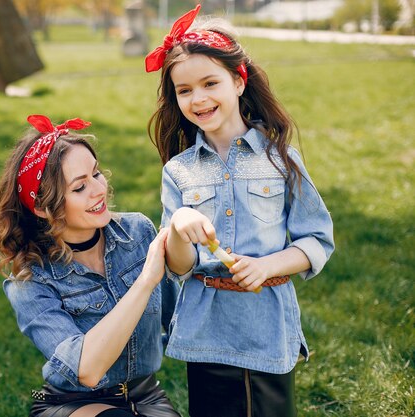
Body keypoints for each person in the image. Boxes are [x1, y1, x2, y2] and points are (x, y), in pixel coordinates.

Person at [145, 5, 335, 417]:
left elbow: (316, 240)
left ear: (238, 79)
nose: (198, 99)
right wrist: (178, 226)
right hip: (206, 328)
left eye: (210, 83)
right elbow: (178, 266)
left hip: (266, 324)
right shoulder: (178, 171)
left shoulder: (279, 159)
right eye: (184, 90)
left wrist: (267, 266)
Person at [0, 114, 181, 417]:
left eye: (97, 173)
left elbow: (180, 319)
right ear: (42, 207)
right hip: (74, 403)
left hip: (145, 397)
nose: (98, 189)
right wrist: (145, 282)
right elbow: (86, 370)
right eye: (79, 188)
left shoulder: (139, 233)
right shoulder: (31, 281)